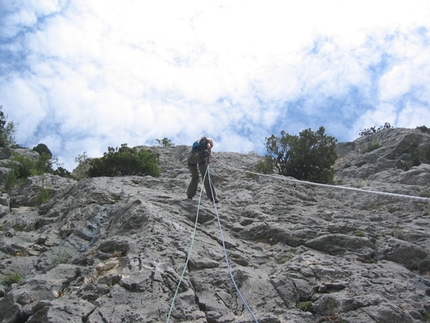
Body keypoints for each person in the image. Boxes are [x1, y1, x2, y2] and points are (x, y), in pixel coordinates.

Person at [186, 136, 219, 203]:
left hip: (190, 158)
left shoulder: (198, 142)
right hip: (199, 157)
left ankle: (190, 195)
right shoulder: (206, 142)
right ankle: (212, 197)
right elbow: (209, 147)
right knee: (205, 176)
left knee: (195, 177)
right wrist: (208, 159)